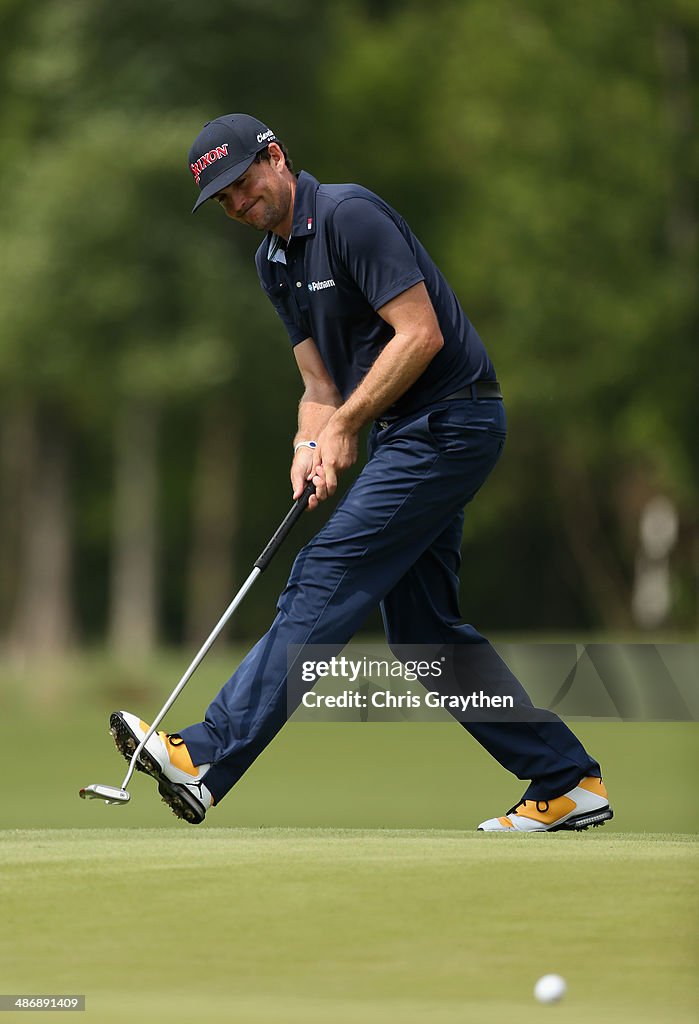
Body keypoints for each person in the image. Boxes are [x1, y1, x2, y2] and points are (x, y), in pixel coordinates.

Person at [110, 113, 613, 832]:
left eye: (241, 184)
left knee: (327, 575)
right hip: (405, 435)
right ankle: (567, 783)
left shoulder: (349, 216)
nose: (237, 204)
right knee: (422, 633)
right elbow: (318, 386)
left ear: (276, 158)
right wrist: (307, 447)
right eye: (222, 199)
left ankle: (205, 755)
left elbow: (420, 333)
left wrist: (346, 426)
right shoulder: (271, 262)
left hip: (450, 422)